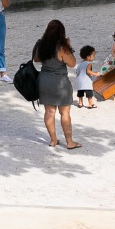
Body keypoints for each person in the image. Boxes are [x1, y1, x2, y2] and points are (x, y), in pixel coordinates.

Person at [32, 19, 80, 148]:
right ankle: (69, 142)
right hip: (60, 83)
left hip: (44, 81)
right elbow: (73, 64)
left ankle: (53, 140)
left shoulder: (42, 45)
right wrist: (68, 47)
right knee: (64, 113)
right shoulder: (62, 47)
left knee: (49, 112)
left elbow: (36, 59)